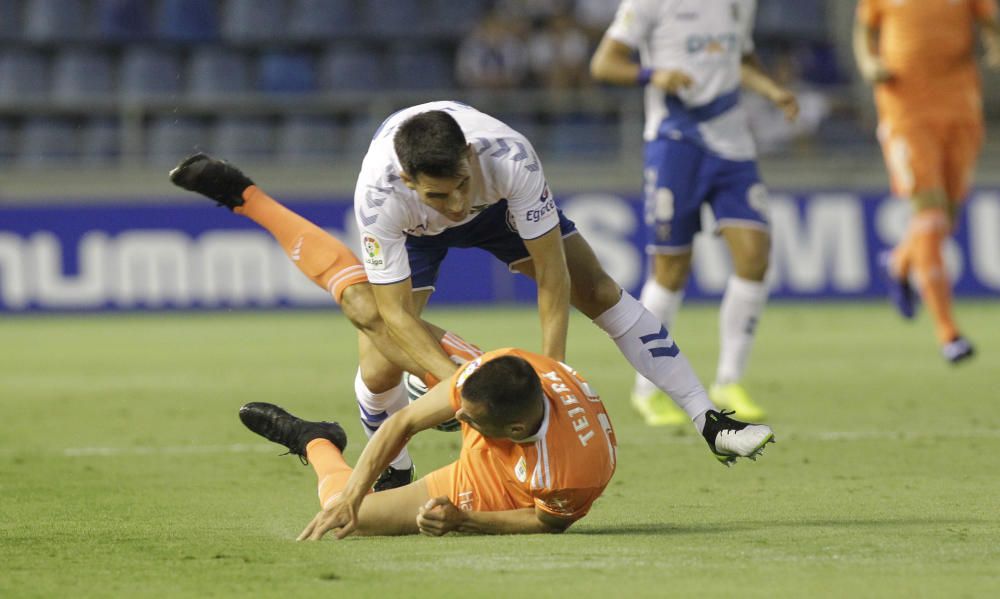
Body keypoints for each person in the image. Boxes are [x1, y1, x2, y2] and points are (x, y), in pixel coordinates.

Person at [349, 100, 774, 473]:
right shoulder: (378, 195)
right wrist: (457, 384)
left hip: (496, 209)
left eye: (462, 183)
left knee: (597, 289)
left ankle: (709, 420)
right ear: (408, 181)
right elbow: (395, 315)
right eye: (439, 195)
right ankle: (395, 470)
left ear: (470, 154)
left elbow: (553, 275)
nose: (457, 205)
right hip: (414, 232)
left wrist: (552, 378)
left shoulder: (511, 158)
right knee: (379, 360)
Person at [169, 154, 478, 489]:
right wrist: (462, 386)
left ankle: (316, 442)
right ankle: (249, 200)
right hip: (507, 406)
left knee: (360, 517)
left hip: (501, 434)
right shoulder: (522, 402)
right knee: (381, 336)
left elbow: (539, 514)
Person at [238, 348, 769, 539]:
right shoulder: (507, 369)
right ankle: (342, 473)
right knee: (349, 498)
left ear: (513, 430)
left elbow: (547, 521)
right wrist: (357, 491)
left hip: (499, 488)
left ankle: (315, 441)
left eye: (465, 419)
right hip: (509, 439)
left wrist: (463, 520)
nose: (456, 418)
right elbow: (401, 423)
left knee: (337, 511)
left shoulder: (569, 473)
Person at [589, 0, 799, 424]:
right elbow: (604, 64)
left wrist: (772, 90)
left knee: (755, 256)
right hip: (675, 143)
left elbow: (737, 61)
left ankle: (729, 380)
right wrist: (653, 75)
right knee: (670, 270)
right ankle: (647, 389)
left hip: (733, 146)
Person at [853, 0, 1000, 364]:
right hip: (905, 109)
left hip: (960, 105)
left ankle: (900, 263)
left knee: (945, 220)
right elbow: (864, 29)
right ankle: (949, 333)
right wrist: (868, 62)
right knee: (930, 215)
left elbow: (988, 21)